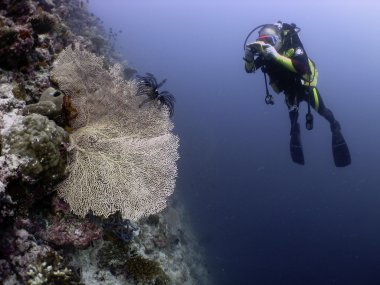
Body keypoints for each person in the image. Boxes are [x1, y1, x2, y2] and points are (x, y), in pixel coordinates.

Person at [243, 21, 351, 167]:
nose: (267, 45)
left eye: (270, 41)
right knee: (293, 123)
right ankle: (295, 135)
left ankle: (335, 127)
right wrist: (249, 58)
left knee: (324, 112)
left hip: (306, 89)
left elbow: (303, 68)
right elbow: (249, 69)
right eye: (262, 42)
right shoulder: (265, 55)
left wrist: (276, 56)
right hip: (289, 92)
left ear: (279, 40)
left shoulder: (293, 46)